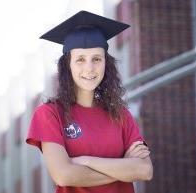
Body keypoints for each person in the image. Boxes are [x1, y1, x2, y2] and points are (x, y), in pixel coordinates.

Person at [26, 10, 153, 193]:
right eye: (80, 60)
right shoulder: (49, 114)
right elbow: (63, 175)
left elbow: (145, 170)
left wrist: (84, 161)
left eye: (96, 59)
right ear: (67, 65)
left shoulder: (120, 114)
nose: (89, 68)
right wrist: (125, 167)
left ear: (106, 63)